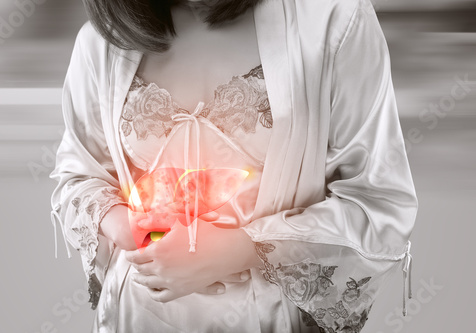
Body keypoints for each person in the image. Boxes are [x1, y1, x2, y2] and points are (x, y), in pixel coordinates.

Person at [50, 0, 418, 331]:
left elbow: (379, 204)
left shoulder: (334, 20)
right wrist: (129, 226)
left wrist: (241, 248)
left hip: (270, 318)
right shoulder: (102, 43)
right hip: (135, 314)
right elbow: (78, 176)